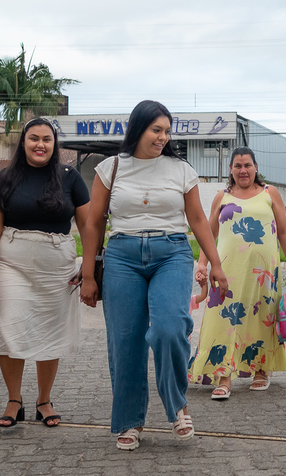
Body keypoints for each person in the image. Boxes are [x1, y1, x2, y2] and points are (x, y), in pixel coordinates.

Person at [79, 100, 228, 452]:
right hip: (122, 256)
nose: (162, 137)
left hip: (171, 253)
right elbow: (93, 221)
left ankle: (177, 405)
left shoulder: (180, 169)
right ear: (137, 129)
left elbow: (195, 219)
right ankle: (130, 420)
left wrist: (215, 263)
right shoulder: (110, 168)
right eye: (155, 130)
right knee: (125, 340)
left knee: (169, 327)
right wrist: (88, 274)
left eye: (166, 131)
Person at [0, 117, 91, 428]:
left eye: (46, 139)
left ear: (55, 145)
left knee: (50, 332)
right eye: (33, 138)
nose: (40, 144)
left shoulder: (70, 178)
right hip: (12, 264)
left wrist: (90, 265)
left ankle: (44, 400)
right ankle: (14, 399)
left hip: (58, 266)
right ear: (23, 143)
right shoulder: (5, 179)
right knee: (9, 327)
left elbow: (88, 225)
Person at [189, 147, 286, 400]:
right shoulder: (221, 197)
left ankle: (261, 370)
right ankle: (224, 375)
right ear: (230, 169)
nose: (243, 170)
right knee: (225, 320)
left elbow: (283, 232)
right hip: (226, 270)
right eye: (237, 166)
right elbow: (209, 233)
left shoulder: (271, 194)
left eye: (247, 165)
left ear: (256, 167)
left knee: (262, 316)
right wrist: (202, 263)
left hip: (264, 272)